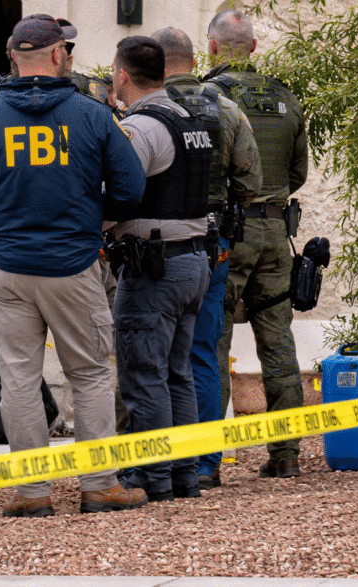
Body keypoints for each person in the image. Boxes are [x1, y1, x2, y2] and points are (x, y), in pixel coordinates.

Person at [0, 15, 147, 517]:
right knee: (91, 375)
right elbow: (131, 188)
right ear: (59, 55)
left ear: (14, 57)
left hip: (6, 267)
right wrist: (91, 220)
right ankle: (99, 485)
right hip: (73, 264)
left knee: (17, 376)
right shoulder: (94, 115)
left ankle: (31, 493)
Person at [151, 26, 262, 488]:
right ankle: (204, 464)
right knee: (203, 353)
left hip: (157, 249)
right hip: (213, 245)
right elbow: (251, 183)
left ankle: (159, 460)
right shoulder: (227, 108)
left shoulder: (147, 110)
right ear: (196, 58)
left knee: (154, 355)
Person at [204, 9, 309, 479]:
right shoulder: (287, 99)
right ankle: (285, 456)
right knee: (278, 340)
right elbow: (297, 174)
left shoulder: (212, 96)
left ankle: (206, 464)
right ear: (253, 47)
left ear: (211, 48)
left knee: (213, 340)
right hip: (275, 233)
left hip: (231, 232)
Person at [110, 35, 213, 502]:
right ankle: (182, 474)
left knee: (144, 374)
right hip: (193, 260)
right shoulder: (191, 118)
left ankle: (149, 476)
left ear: (123, 75)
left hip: (154, 267)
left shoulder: (142, 128)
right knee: (178, 373)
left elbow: (119, 193)